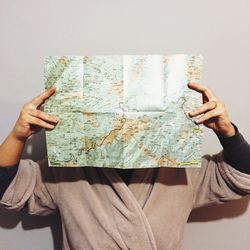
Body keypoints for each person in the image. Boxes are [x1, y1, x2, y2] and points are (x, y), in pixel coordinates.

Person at [0, 82, 250, 250]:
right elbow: (7, 188)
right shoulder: (67, 171)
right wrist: (18, 136)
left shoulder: (182, 171)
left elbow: (243, 178)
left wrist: (227, 132)